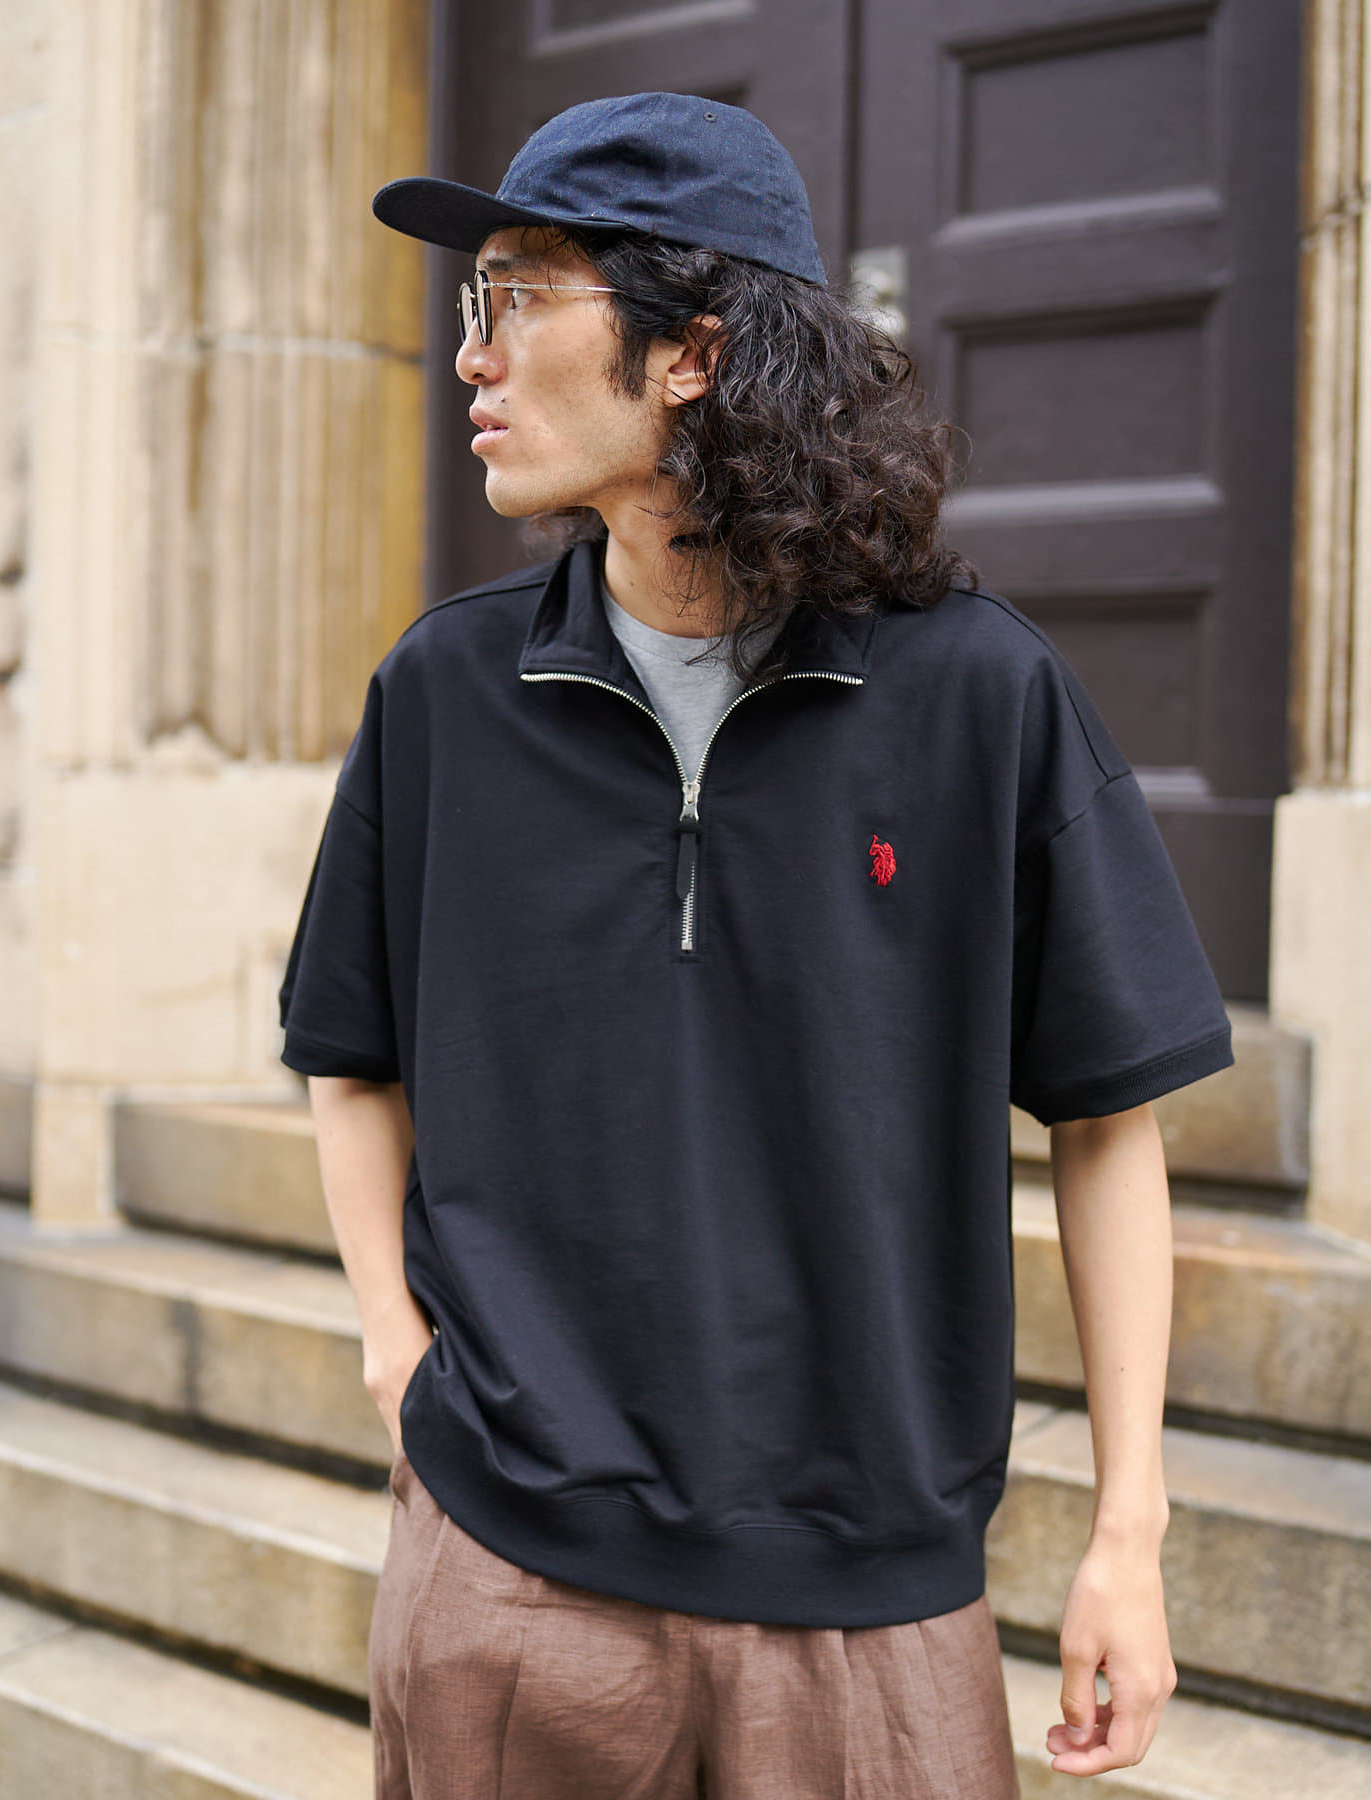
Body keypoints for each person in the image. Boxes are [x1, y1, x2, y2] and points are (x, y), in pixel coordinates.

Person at [278, 92, 1232, 1799]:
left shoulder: (982, 695)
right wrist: (397, 1362)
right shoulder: (443, 692)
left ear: (693, 353)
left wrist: (1129, 1535)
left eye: (518, 296)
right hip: (508, 1570)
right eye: (472, 302)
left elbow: (1109, 1121)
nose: (469, 356)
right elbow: (351, 1053)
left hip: (872, 1605)